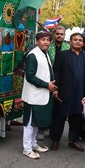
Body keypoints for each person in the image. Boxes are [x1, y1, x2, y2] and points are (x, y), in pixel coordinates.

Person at [50, 32, 85, 152]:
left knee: (77, 117)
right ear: (70, 41)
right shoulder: (63, 55)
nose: (78, 42)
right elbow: (56, 72)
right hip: (64, 91)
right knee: (59, 117)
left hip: (80, 92)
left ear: (83, 43)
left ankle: (73, 140)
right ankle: (55, 140)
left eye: (80, 40)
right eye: (75, 40)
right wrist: (55, 89)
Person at [20, 30, 57, 159]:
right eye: (43, 39)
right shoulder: (33, 55)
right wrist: (47, 85)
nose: (45, 42)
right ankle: (27, 148)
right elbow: (29, 76)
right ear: (37, 41)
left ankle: (34, 144)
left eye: (47, 40)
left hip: (41, 94)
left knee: (36, 121)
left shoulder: (44, 53)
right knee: (29, 123)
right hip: (33, 96)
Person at [40, 25, 70, 142]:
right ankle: (42, 128)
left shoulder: (68, 47)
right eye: (57, 33)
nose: (59, 36)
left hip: (63, 80)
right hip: (48, 78)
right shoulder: (48, 46)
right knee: (46, 105)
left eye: (61, 34)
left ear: (64, 36)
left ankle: (53, 129)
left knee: (58, 107)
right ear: (54, 34)